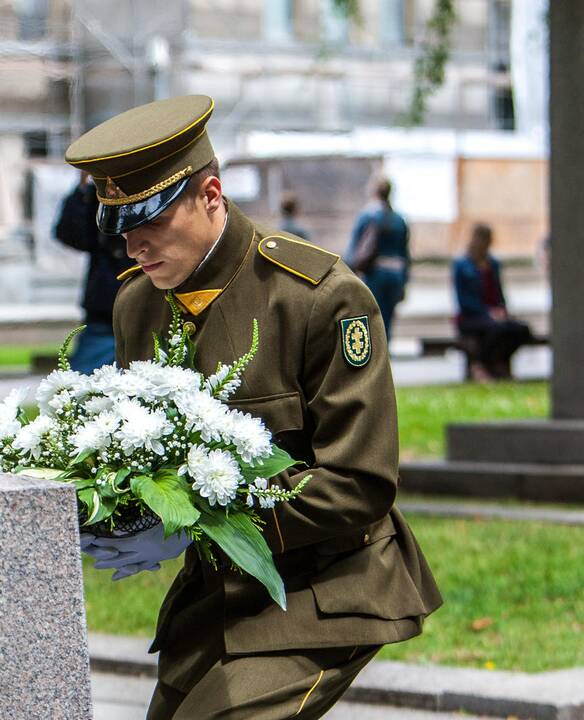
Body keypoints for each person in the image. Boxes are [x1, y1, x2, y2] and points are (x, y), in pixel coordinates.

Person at [66, 95, 441, 720]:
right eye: (122, 227)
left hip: (326, 590)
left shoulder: (319, 297)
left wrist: (204, 517)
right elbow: (143, 454)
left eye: (151, 220)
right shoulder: (137, 304)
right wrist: (115, 510)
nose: (134, 245)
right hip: (215, 600)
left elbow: (360, 483)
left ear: (210, 193)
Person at [54, 172, 136, 373]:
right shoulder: (96, 193)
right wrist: (85, 185)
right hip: (104, 313)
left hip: (148, 308)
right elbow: (71, 235)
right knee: (79, 394)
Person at [452, 223, 533, 381]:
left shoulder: (493, 264)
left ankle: (497, 363)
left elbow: (499, 293)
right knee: (495, 329)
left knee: (521, 330)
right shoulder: (462, 265)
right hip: (471, 317)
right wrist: (487, 313)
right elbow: (463, 300)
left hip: (494, 316)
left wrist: (502, 310)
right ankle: (480, 365)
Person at [345, 179, 409, 340]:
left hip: (375, 274)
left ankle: (375, 359)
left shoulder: (367, 216)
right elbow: (405, 253)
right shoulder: (400, 219)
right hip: (396, 274)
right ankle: (387, 353)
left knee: (372, 317)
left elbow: (354, 249)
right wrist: (405, 280)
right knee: (388, 318)